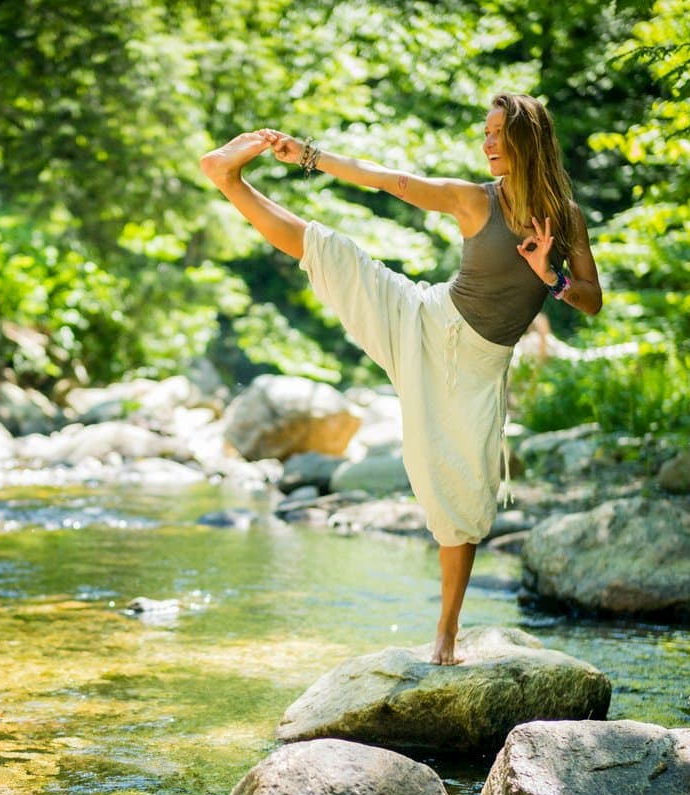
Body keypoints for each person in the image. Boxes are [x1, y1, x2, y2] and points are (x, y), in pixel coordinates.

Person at [200, 93, 602, 664]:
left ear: (526, 139)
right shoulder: (474, 200)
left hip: (479, 369)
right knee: (333, 253)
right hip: (427, 323)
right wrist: (309, 155)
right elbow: (393, 181)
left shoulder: (566, 219)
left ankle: (446, 633)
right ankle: (229, 181)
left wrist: (551, 277)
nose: (485, 143)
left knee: (463, 492)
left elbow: (591, 301)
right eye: (483, 133)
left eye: (495, 134)